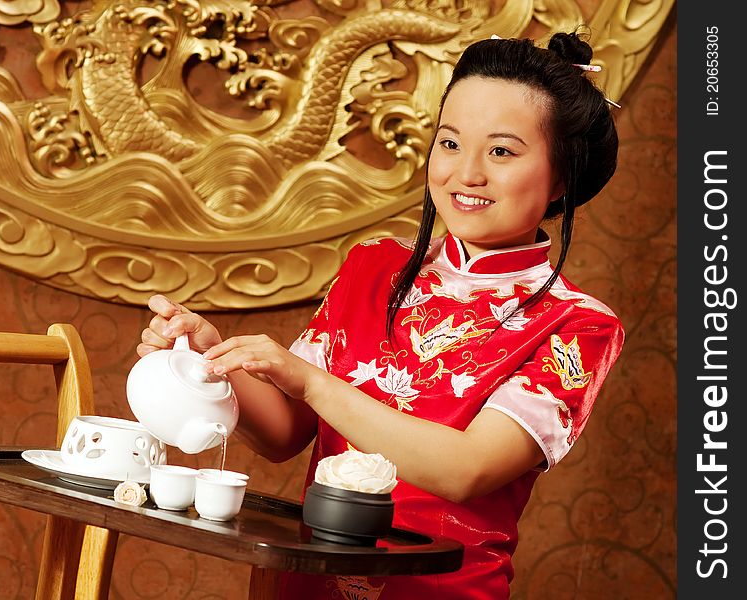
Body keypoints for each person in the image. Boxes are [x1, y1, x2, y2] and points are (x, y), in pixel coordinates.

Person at [138, 30, 625, 600]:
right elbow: (286, 433)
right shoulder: (374, 265)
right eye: (449, 143)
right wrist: (216, 361)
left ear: (562, 176)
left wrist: (311, 382)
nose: (466, 173)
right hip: (301, 580)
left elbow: (464, 470)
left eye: (501, 151)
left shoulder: (577, 324)